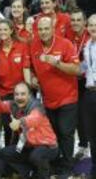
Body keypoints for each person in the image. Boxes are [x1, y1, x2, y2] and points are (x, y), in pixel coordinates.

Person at [30, 17, 80, 177]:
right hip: (48, 100)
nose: (43, 32)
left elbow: (77, 70)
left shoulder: (65, 44)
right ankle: (58, 164)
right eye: (40, 29)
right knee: (55, 134)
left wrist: (57, 63)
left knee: (66, 133)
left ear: (53, 29)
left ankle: (67, 167)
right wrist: (32, 78)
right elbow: (31, 68)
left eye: (46, 28)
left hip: (68, 98)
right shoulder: (34, 46)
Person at [0, 82, 58, 179]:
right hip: (29, 146)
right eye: (16, 94)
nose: (19, 97)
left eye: (23, 94)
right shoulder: (14, 105)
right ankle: (30, 173)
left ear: (29, 95)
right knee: (4, 153)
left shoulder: (36, 106)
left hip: (48, 146)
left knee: (36, 156)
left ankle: (46, 175)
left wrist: (19, 122)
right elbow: (0, 106)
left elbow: (34, 118)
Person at [0, 19, 31, 147]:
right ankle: (9, 158)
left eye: (5, 29)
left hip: (19, 94)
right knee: (8, 128)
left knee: (22, 127)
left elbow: (26, 69)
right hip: (4, 93)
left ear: (11, 30)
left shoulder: (21, 46)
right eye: (0, 30)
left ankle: (21, 158)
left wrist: (28, 91)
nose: (2, 32)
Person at [66, 8, 90, 160]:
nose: (75, 23)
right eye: (72, 20)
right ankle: (82, 144)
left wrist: (75, 69)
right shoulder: (70, 37)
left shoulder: (90, 37)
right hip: (75, 82)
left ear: (84, 22)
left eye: (78, 20)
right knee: (79, 115)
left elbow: (89, 61)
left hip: (89, 82)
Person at [81, 14, 96, 179]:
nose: (93, 28)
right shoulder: (87, 45)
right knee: (92, 134)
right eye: (91, 25)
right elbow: (84, 67)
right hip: (90, 93)